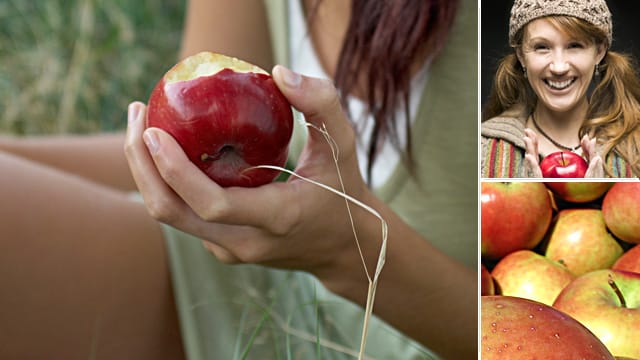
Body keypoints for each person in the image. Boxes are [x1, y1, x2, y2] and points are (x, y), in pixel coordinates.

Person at [0, 0, 477, 358]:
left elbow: (545, 329)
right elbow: (200, 153)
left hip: (419, 333)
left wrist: (344, 251)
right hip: (252, 276)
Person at [481, 0, 640, 178]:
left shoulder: (636, 148)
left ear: (599, 52)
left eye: (574, 46)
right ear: (521, 55)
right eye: (542, 47)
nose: (559, 67)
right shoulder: (482, 149)